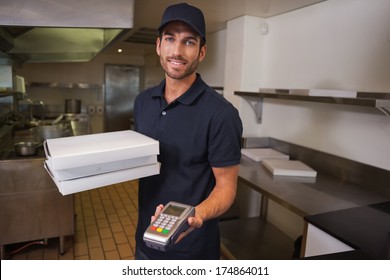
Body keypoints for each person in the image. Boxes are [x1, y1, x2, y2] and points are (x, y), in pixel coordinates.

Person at [133, 2, 243, 260]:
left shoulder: (221, 114)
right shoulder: (143, 101)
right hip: (145, 240)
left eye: (189, 42)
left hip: (192, 249)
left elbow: (226, 188)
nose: (177, 51)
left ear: (202, 52)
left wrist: (196, 216)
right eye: (170, 39)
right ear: (158, 45)